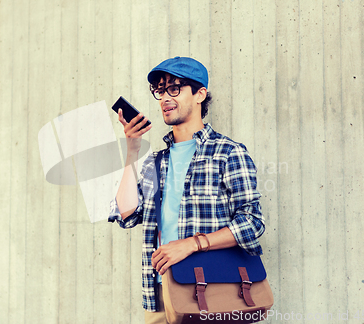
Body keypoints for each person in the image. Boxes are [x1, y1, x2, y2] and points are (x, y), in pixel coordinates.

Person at [108, 56, 265, 324]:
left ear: (200, 94)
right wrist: (132, 151)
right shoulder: (154, 162)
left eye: (174, 87)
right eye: (159, 89)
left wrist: (192, 244)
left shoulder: (228, 153)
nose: (165, 97)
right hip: (159, 293)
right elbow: (126, 214)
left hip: (214, 289)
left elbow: (252, 223)